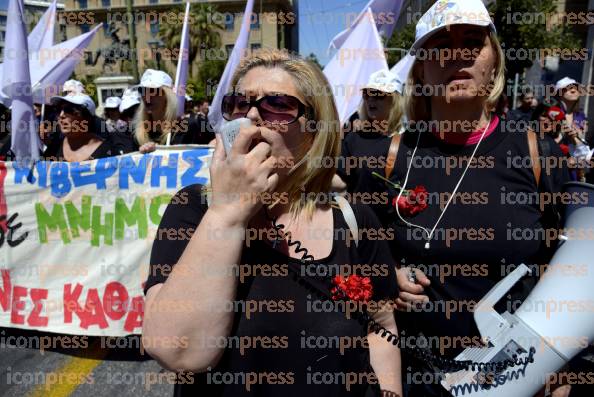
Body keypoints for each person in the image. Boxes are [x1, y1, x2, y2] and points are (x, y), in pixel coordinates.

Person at [142, 49, 402, 397]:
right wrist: (228, 213)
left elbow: (381, 328)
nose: (251, 116)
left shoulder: (354, 220)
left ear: (315, 130)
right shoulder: (193, 210)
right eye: (239, 103)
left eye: (277, 105)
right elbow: (178, 351)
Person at [353, 1, 570, 395]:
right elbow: (355, 261)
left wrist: (560, 372)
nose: (458, 55)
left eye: (473, 42)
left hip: (516, 380)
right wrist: (387, 280)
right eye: (440, 46)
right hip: (412, 378)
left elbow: (571, 272)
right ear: (421, 68)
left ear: (494, 60)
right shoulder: (389, 158)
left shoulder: (539, 156)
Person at [333, 69, 405, 209]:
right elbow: (341, 181)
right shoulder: (354, 138)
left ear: (395, 99)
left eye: (378, 94)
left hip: (395, 225)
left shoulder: (410, 140)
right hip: (360, 224)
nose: (371, 99)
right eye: (367, 94)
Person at [43, 93, 130, 161]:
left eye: (69, 110)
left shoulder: (108, 152)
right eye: (58, 110)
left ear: (87, 117)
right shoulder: (54, 148)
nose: (61, 115)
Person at [133, 69, 192, 153]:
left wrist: (213, 142)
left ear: (167, 95)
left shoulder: (188, 127)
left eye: (153, 91)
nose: (147, 97)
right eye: (142, 91)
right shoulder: (138, 136)